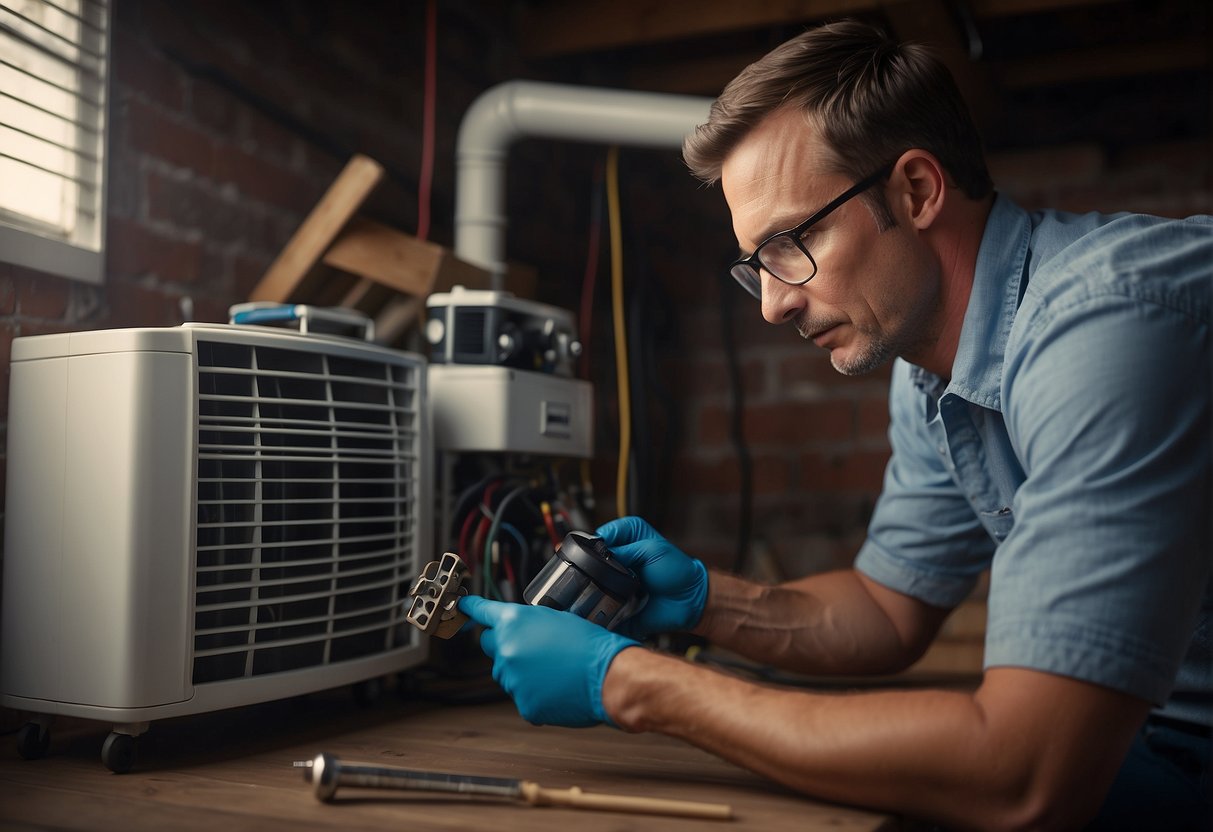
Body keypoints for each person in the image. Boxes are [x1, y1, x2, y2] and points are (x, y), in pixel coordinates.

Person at [459, 19, 1211, 831]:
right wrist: (705, 601)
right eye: (756, 266)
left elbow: (1023, 774)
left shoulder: (1103, 330)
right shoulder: (933, 365)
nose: (776, 301)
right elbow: (889, 611)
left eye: (792, 242)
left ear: (916, 191)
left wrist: (630, 683)